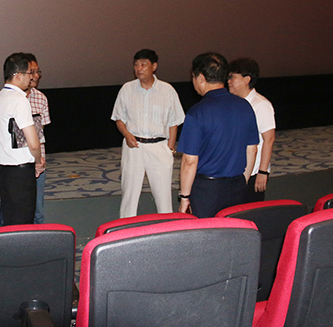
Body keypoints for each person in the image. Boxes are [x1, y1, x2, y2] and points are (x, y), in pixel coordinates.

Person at [177, 53, 259, 218]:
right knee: (234, 230)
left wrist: (184, 197)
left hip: (206, 190)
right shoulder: (245, 106)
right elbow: (252, 150)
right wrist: (242, 182)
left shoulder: (198, 112)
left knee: (207, 232)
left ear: (201, 78)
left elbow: (189, 161)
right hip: (237, 185)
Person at [111, 49, 185, 218]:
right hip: (133, 147)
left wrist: (170, 148)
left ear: (154, 66)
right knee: (129, 194)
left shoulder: (167, 90)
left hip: (159, 147)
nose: (139, 68)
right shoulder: (127, 89)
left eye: (143, 64)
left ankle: (166, 227)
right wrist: (126, 134)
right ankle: (126, 227)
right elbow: (119, 118)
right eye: (136, 64)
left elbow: (174, 122)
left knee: (163, 196)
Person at [0, 53, 41, 225]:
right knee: (23, 223)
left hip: (4, 171)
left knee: (9, 221)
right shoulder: (19, 100)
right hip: (21, 172)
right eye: (29, 73)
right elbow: (33, 142)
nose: (31, 77)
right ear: (18, 75)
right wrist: (38, 161)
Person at [228, 58, 276, 202]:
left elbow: (269, 139)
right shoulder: (234, 103)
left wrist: (263, 171)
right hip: (236, 169)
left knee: (250, 208)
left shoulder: (261, 105)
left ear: (246, 79)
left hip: (254, 171)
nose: (228, 81)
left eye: (232, 77)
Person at [25, 54, 50, 224]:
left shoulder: (41, 98)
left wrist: (39, 159)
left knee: (37, 210)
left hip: (38, 163)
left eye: (38, 72)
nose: (36, 76)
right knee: (13, 210)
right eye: (32, 72)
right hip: (16, 165)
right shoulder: (6, 99)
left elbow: (41, 133)